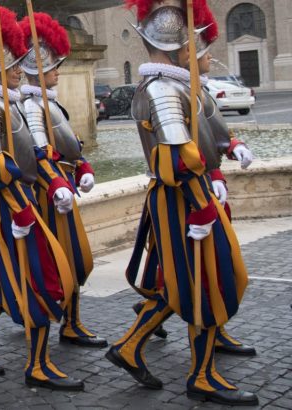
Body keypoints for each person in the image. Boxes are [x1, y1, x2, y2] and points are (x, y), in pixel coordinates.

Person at [105, 0, 256, 405]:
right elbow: (177, 159)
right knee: (201, 281)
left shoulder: (180, 85)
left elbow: (207, 136)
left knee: (197, 279)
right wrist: (201, 204)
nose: (199, 48)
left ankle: (130, 346)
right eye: (192, 42)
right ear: (176, 46)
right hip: (181, 198)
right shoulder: (160, 90)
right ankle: (201, 376)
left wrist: (229, 151)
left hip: (194, 192)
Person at [0, 5, 83, 391]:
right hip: (9, 208)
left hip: (20, 202)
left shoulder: (11, 104)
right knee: (39, 280)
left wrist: (54, 180)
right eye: (13, 66)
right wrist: (21, 206)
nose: (18, 70)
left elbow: (33, 157)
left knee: (14, 282)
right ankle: (38, 365)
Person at [18, 12, 106, 348]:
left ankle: (72, 322)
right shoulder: (31, 106)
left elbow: (68, 148)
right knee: (58, 262)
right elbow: (40, 154)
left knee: (77, 259)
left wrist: (81, 166)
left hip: (63, 190)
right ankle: (53, 323)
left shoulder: (49, 103)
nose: (58, 70)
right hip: (47, 197)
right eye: (53, 65)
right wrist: (57, 183)